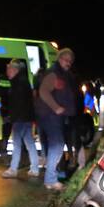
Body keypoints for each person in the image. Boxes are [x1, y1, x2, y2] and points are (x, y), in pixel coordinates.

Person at [35, 47, 77, 191]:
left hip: (55, 116)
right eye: (66, 60)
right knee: (58, 144)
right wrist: (56, 107)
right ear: (59, 59)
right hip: (50, 115)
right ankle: (50, 179)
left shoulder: (63, 74)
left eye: (70, 61)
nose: (68, 63)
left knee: (57, 145)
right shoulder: (54, 73)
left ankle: (50, 178)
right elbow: (43, 91)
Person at [1, 59, 40, 178]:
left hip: (20, 119)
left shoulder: (17, 83)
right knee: (29, 143)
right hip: (25, 118)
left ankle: (13, 169)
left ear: (15, 70)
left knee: (17, 144)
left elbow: (17, 103)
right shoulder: (23, 81)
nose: (7, 72)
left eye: (9, 69)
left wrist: (12, 117)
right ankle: (34, 168)